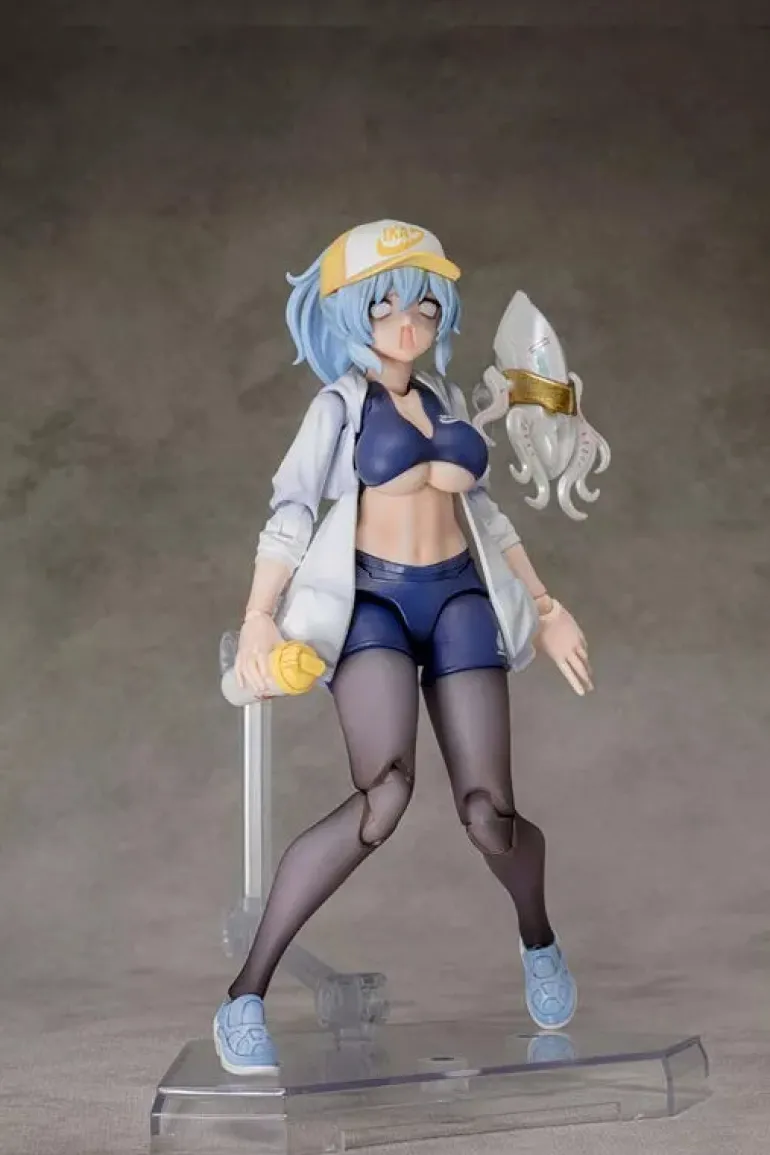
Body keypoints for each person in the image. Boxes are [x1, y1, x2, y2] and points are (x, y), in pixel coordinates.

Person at [213, 220, 593, 1076]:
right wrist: (261, 615)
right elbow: (291, 512)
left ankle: (538, 938)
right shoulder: (338, 406)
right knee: (382, 795)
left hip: (458, 596)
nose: (407, 320)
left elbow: (485, 511)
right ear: (351, 312)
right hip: (374, 603)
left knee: (489, 814)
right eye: (384, 304)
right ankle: (245, 992)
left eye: (423, 302)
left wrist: (546, 605)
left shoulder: (450, 399)